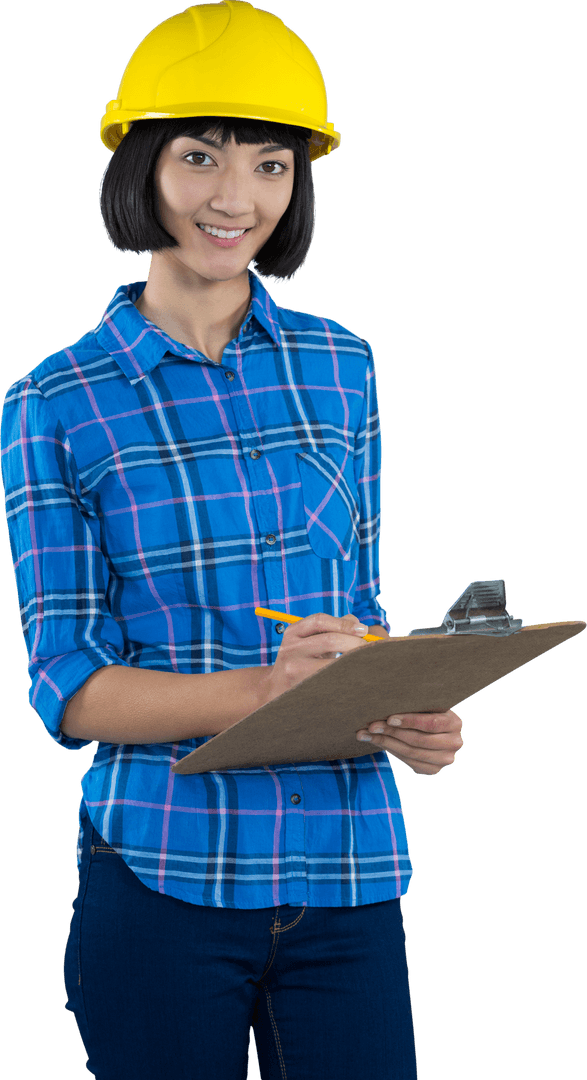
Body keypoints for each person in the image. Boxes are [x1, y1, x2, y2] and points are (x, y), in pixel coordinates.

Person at [0, 3, 463, 1077]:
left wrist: (403, 706)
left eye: (269, 164)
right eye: (200, 156)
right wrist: (269, 691)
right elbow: (66, 683)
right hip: (164, 878)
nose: (234, 198)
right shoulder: (54, 403)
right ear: (138, 165)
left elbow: (354, 607)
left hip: (346, 874)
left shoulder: (340, 368)